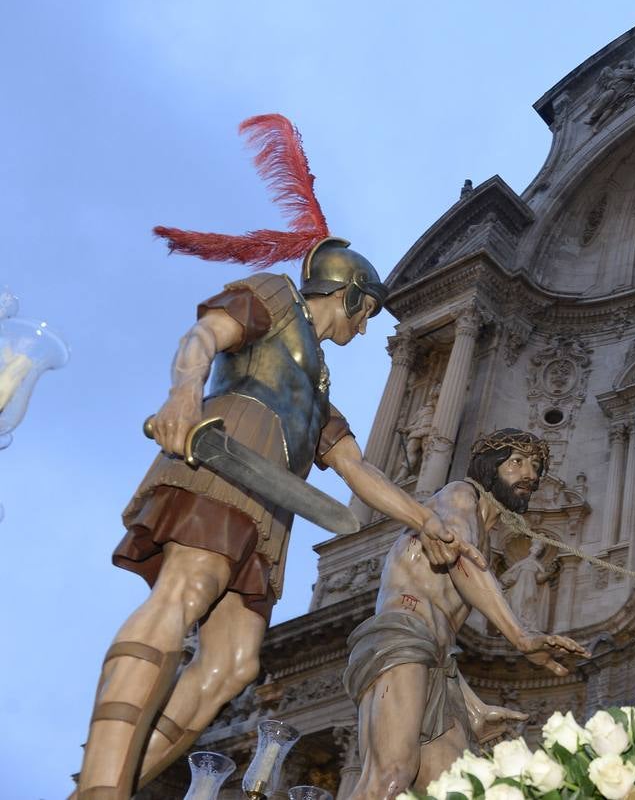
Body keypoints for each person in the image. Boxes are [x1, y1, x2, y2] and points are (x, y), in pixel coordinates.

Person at [76, 116, 479, 800]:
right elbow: (204, 334)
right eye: (365, 312)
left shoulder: (320, 388)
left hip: (274, 500)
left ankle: (117, 777)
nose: (364, 327)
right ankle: (99, 789)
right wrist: (183, 393)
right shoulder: (276, 298)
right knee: (181, 597)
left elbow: (358, 472)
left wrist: (426, 520)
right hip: (229, 447)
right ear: (349, 294)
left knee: (233, 665)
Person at [344, 429, 589, 800]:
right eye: (517, 462)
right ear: (489, 467)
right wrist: (521, 636)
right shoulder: (459, 495)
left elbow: (443, 629)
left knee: (451, 791)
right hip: (401, 638)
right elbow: (458, 559)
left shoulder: (486, 539)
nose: (531, 475)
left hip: (440, 668)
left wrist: (472, 707)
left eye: (536, 466)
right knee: (390, 777)